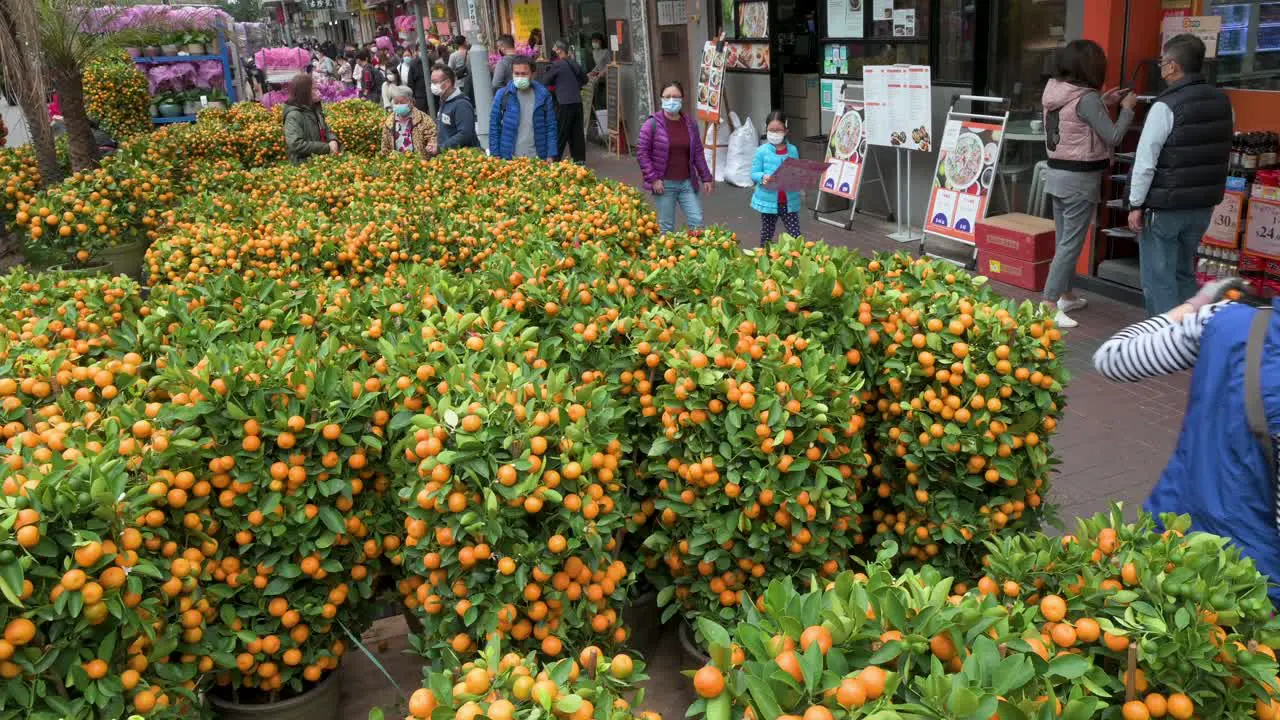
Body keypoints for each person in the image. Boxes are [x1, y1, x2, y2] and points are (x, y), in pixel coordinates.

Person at [1092, 277, 1280, 608]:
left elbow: (1113, 357)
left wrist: (1195, 305)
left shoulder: (1228, 320)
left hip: (1168, 542)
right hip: (1251, 590)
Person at [1127, 33, 1234, 317]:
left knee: (1159, 281)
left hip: (1165, 207)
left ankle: (1163, 349)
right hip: (1202, 206)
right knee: (1185, 273)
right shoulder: (1223, 102)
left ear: (1173, 65)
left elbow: (1146, 161)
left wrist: (1135, 203)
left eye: (1163, 62)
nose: (1161, 68)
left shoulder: (1166, 105)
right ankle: (1189, 338)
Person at [1040, 40, 1138, 328]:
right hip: (1080, 180)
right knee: (1070, 244)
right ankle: (1047, 304)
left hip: (1057, 174)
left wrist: (1105, 102)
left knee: (1064, 240)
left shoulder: (1055, 90)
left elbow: (1077, 118)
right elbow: (1115, 137)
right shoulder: (1087, 98)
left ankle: (1066, 295)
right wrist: (1127, 109)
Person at [636, 81, 713, 234]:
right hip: (664, 185)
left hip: (687, 183)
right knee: (667, 227)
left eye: (676, 96)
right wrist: (653, 179)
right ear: (661, 99)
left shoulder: (690, 124)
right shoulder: (652, 124)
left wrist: (706, 177)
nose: (671, 100)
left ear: (682, 99)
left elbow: (697, 151)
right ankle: (668, 257)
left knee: (697, 222)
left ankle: (697, 255)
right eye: (667, 96)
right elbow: (642, 153)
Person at [489, 56, 557, 160]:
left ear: (533, 74)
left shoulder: (543, 95)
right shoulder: (502, 95)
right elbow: (494, 125)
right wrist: (495, 154)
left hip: (537, 158)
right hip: (509, 159)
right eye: (516, 73)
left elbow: (551, 125)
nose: (520, 77)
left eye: (524, 74)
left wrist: (550, 154)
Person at [751, 111, 803, 247]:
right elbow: (754, 173)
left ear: (785, 131)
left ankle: (797, 260)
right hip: (769, 201)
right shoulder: (761, 151)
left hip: (788, 200)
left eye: (778, 130)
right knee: (767, 234)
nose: (774, 133)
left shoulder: (793, 150)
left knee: (795, 235)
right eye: (771, 130)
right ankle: (763, 260)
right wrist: (763, 177)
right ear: (766, 129)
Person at [540, 40, 588, 163]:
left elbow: (545, 80)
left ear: (559, 50)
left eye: (554, 49)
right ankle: (579, 161)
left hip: (564, 103)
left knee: (561, 132)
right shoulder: (573, 62)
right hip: (577, 102)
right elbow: (585, 79)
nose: (553, 52)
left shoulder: (558, 65)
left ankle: (555, 160)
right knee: (577, 132)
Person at [282, 73, 340, 164]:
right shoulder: (294, 115)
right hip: (304, 165)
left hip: (321, 160)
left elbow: (326, 128)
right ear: (304, 92)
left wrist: (333, 140)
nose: (318, 92)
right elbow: (296, 144)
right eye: (314, 89)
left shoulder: (314, 108)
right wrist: (326, 148)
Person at [381, 86, 437, 157]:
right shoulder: (389, 122)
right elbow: (385, 146)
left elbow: (433, 137)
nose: (399, 105)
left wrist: (431, 147)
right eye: (396, 102)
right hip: (398, 164)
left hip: (420, 164)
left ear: (412, 102)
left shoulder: (423, 119)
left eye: (402, 102)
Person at [432, 66, 479, 150]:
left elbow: (465, 134)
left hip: (464, 158)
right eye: (432, 82)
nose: (433, 85)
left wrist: (441, 148)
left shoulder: (462, 105)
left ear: (448, 83)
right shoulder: (444, 101)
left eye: (435, 82)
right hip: (449, 156)